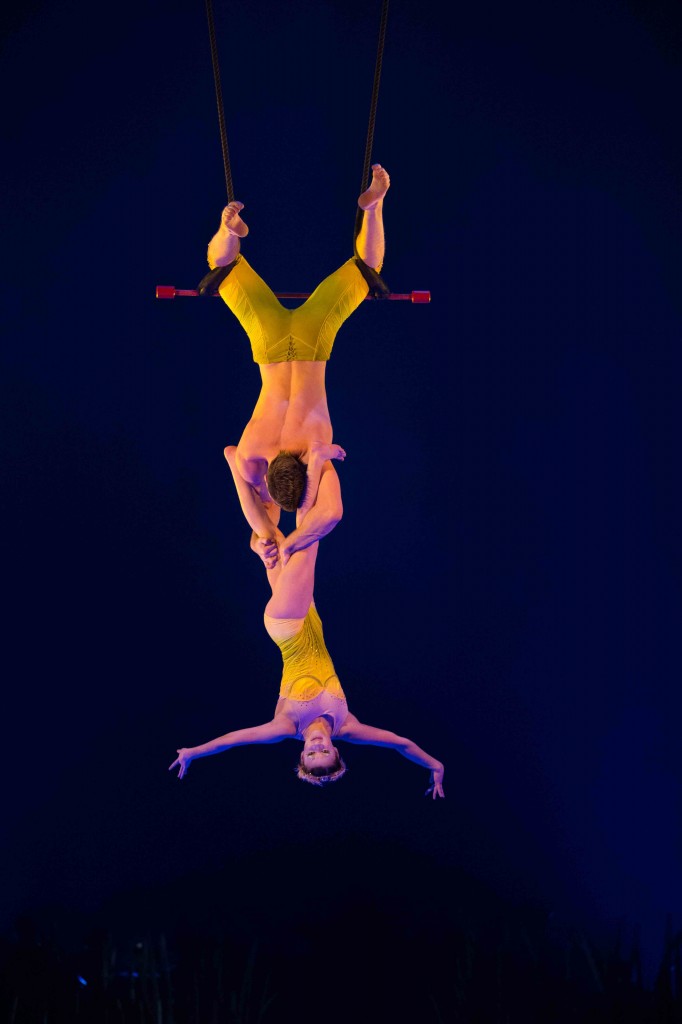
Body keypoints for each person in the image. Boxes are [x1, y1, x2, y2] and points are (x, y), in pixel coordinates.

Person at [168, 445, 445, 796]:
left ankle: (314, 462)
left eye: (310, 754)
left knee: (303, 544)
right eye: (324, 752)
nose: (316, 746)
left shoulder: (285, 725)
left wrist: (194, 752)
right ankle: (233, 464)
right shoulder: (348, 725)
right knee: (270, 539)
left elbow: (236, 739)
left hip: (289, 624)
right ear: (335, 750)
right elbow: (400, 744)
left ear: (302, 752)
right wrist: (435, 765)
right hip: (304, 612)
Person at [206, 164, 390, 564]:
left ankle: (374, 209)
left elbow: (332, 513)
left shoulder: (314, 451)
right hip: (269, 343)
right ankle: (227, 231)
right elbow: (227, 454)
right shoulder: (251, 457)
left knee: (367, 268)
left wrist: (287, 540)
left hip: (312, 342)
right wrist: (264, 533)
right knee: (222, 270)